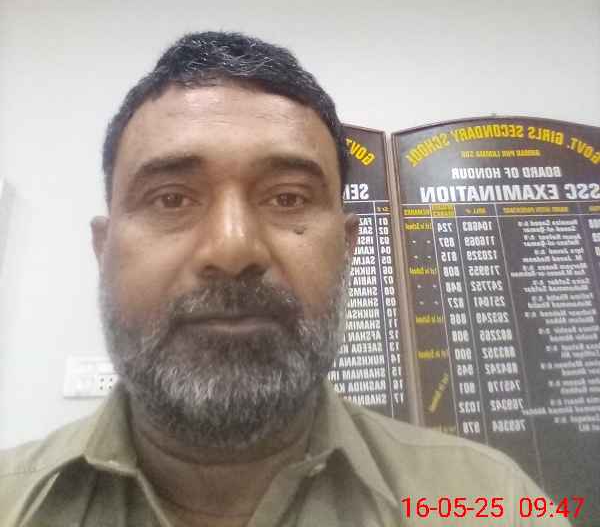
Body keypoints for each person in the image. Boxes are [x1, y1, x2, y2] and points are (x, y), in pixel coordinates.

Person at [0, 32, 563, 526]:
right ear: (104, 251)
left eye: (288, 198)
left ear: (346, 247)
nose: (233, 249)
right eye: (171, 199)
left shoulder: (493, 503)